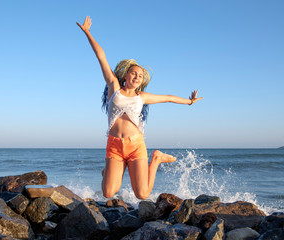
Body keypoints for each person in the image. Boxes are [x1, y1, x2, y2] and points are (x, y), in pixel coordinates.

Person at [77, 16, 203, 200]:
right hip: (114, 146)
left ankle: (157, 158)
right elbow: (101, 56)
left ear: (142, 82)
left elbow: (168, 98)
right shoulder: (114, 87)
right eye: (134, 73)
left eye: (140, 76)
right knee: (108, 193)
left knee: (142, 194)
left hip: (136, 145)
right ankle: (108, 172)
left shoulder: (141, 97)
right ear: (126, 75)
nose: (137, 77)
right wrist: (88, 33)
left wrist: (189, 102)